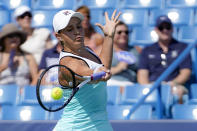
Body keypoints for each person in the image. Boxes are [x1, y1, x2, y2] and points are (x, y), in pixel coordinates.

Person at [52, 9, 120, 131]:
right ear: (59, 36)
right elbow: (83, 71)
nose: (77, 32)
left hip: (101, 125)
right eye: (70, 29)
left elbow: (103, 66)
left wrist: (109, 36)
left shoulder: (88, 51)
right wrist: (97, 73)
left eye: (79, 27)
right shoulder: (67, 63)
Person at [137, 15, 192, 104]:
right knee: (142, 94)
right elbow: (142, 75)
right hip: (153, 85)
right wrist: (149, 87)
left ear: (172, 29)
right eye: (161, 27)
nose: (165, 30)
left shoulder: (182, 48)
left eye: (168, 27)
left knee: (178, 93)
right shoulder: (147, 50)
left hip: (175, 85)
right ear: (156, 30)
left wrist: (170, 85)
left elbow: (185, 73)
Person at [107, 21, 139, 88]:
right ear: (112, 34)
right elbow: (99, 72)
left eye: (126, 32)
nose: (123, 34)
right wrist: (117, 69)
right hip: (110, 83)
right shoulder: (106, 50)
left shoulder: (136, 50)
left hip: (130, 84)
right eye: (119, 32)